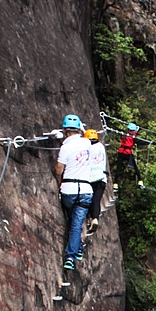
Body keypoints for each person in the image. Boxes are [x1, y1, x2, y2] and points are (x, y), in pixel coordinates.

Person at [53, 114, 93, 270]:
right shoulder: (88, 143)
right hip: (86, 191)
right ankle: (73, 254)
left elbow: (58, 170)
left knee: (71, 220)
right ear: (79, 129)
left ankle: (75, 250)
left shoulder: (65, 147)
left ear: (65, 129)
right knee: (77, 224)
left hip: (69, 190)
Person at [84, 129, 109, 235]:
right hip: (102, 177)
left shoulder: (88, 148)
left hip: (91, 178)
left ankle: (90, 219)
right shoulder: (101, 147)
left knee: (89, 200)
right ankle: (95, 218)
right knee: (96, 200)